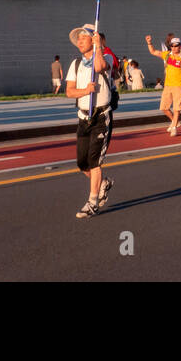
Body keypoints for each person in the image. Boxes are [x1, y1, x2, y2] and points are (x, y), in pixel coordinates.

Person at [66, 23, 114, 219]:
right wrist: (86, 90)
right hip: (83, 117)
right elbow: (69, 92)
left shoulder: (106, 57)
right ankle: (102, 183)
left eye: (84, 38)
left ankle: (93, 201)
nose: (79, 41)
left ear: (94, 40)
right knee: (82, 163)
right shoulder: (75, 64)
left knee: (94, 161)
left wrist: (98, 48)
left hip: (101, 116)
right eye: (78, 39)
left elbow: (100, 66)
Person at [146, 34, 181, 136]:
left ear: (180, 46)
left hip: (179, 86)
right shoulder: (166, 54)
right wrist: (149, 42)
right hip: (168, 86)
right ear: (170, 46)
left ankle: (174, 127)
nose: (175, 47)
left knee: (176, 108)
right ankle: (175, 122)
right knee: (164, 108)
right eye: (173, 46)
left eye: (177, 45)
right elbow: (153, 51)